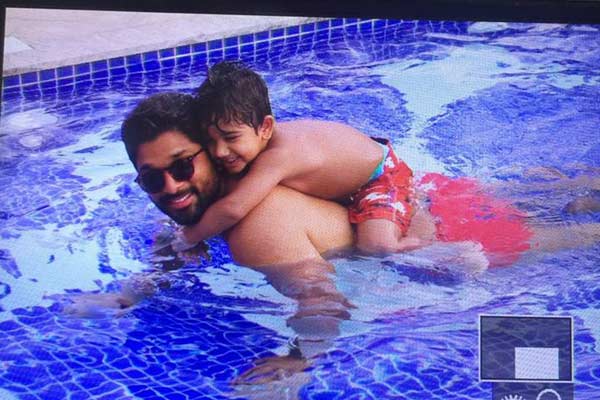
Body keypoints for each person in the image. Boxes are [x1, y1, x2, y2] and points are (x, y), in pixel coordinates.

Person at [174, 61, 419, 255]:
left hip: (381, 176)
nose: (219, 151)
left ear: (266, 127)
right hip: (354, 170)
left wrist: (188, 237)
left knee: (376, 248)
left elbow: (234, 208)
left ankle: (433, 249)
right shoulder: (256, 141)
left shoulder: (278, 157)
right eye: (211, 141)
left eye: (231, 138)